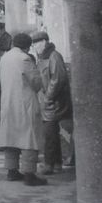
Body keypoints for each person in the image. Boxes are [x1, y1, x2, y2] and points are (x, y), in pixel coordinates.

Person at [0, 33, 47, 186]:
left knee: (10, 137)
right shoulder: (25, 59)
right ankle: (30, 174)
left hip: (7, 102)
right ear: (27, 46)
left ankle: (11, 170)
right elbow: (36, 82)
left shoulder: (4, 58)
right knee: (29, 138)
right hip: (24, 103)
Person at [31, 31, 73, 175]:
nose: (35, 46)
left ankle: (49, 164)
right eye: (33, 44)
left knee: (49, 134)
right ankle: (56, 164)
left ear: (45, 41)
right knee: (52, 133)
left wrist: (48, 97)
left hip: (54, 103)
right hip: (49, 102)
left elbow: (58, 79)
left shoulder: (54, 56)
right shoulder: (43, 57)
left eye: (37, 43)